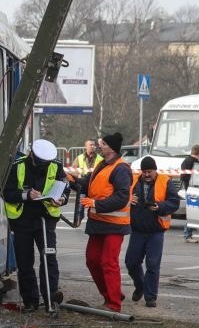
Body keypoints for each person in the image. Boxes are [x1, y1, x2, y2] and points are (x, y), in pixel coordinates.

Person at [2, 139, 69, 313]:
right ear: (32, 155)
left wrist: (62, 199)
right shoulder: (17, 166)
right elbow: (7, 193)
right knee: (25, 262)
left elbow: (64, 188)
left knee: (49, 259)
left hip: (46, 220)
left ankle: (50, 297)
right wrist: (26, 195)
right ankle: (30, 300)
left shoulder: (56, 166)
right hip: (22, 220)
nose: (43, 166)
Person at [77, 132, 132, 313]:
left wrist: (96, 204)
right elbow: (88, 184)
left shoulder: (121, 168)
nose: (100, 146)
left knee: (108, 262)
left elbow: (122, 197)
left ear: (112, 148)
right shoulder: (102, 164)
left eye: (104, 144)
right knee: (92, 260)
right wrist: (71, 180)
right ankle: (111, 294)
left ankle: (114, 304)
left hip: (114, 224)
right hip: (98, 222)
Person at [124, 156, 180, 308]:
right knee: (131, 262)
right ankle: (140, 285)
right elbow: (120, 194)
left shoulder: (165, 181)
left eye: (150, 171)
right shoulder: (134, 180)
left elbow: (174, 202)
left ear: (155, 171)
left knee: (153, 264)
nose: (147, 174)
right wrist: (128, 198)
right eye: (144, 172)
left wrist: (160, 206)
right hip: (137, 230)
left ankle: (150, 297)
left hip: (156, 231)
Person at [181, 144, 199, 242]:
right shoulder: (196, 163)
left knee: (192, 213)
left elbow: (183, 177)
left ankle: (188, 235)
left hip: (188, 189)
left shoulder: (185, 161)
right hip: (195, 190)